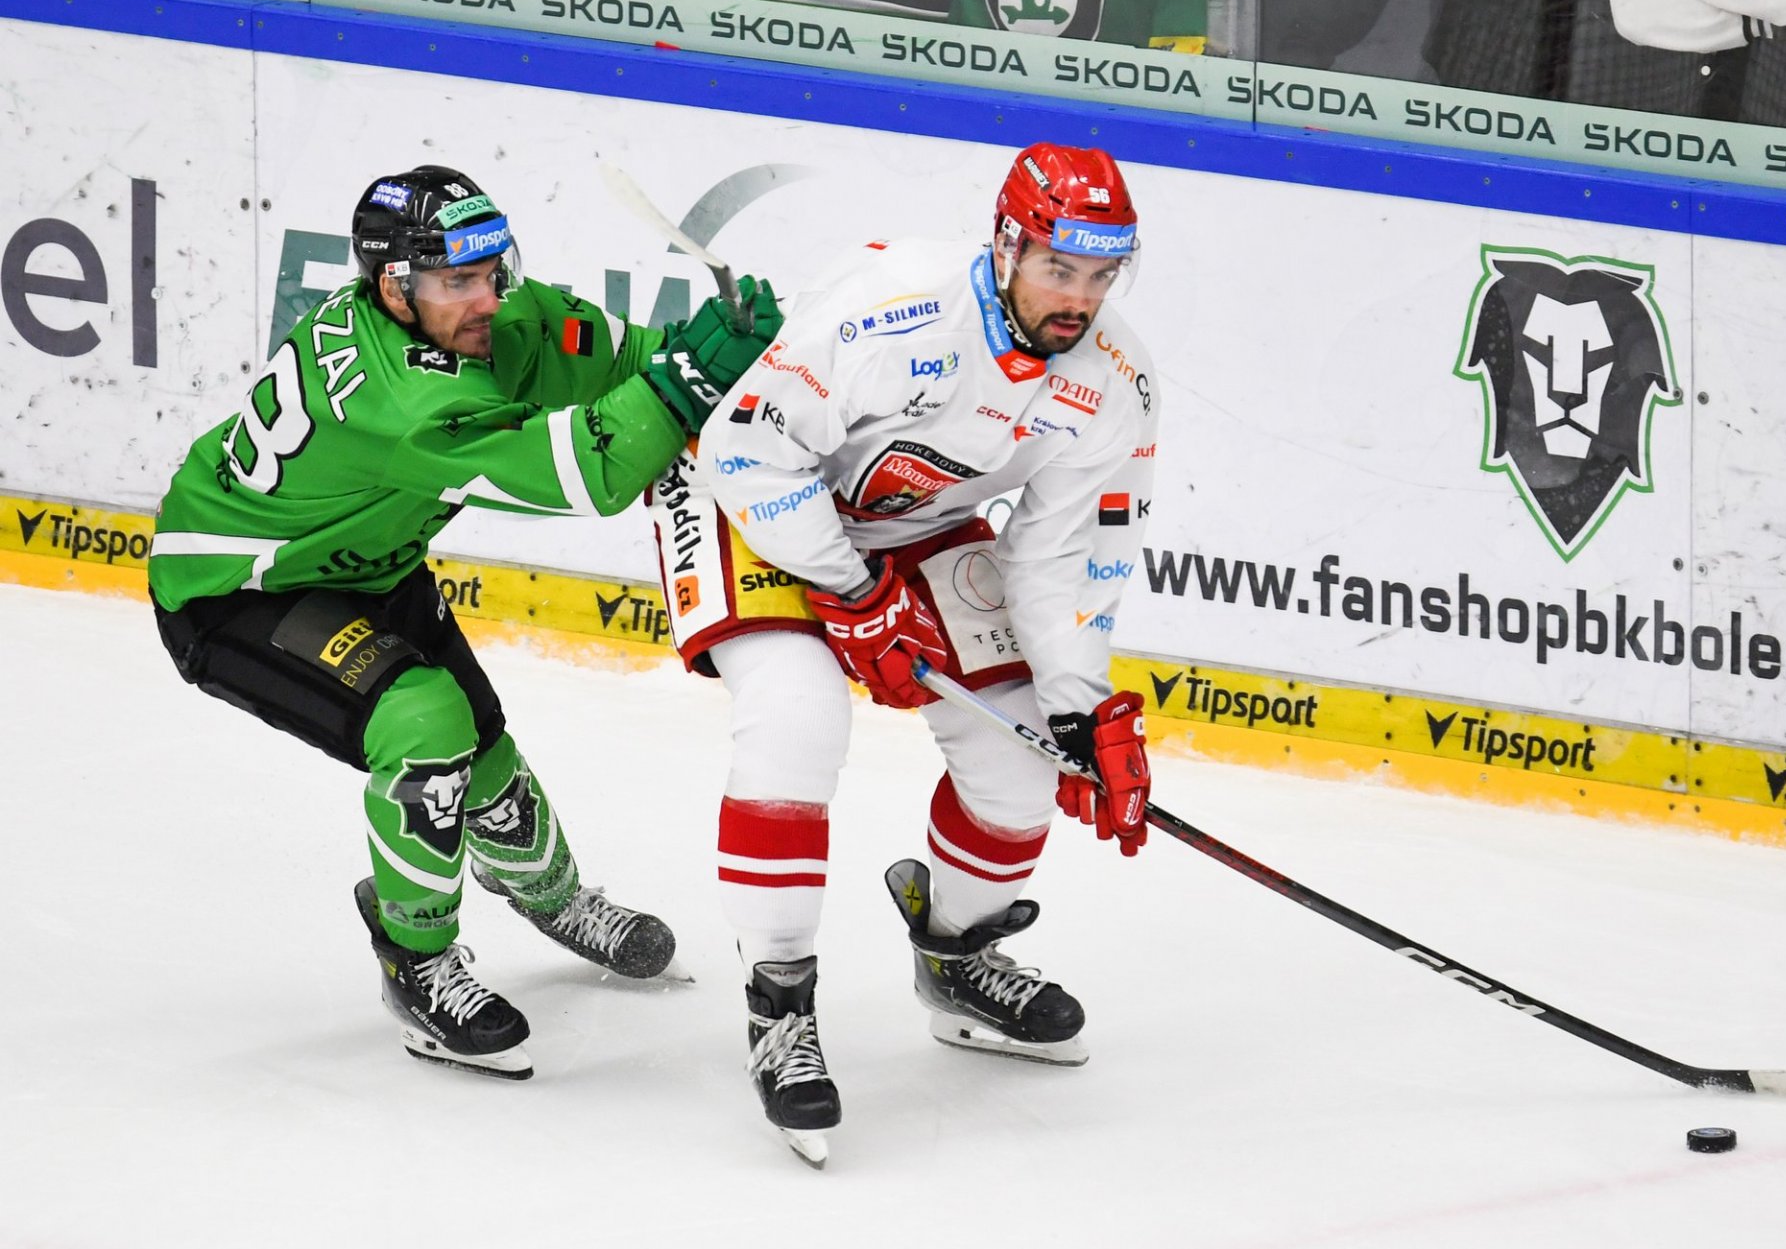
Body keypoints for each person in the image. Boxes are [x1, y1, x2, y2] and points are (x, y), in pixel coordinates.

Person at [148, 165, 781, 1080]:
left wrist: (715, 351)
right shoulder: (398, 397)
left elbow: (630, 359)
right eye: (459, 281)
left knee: (484, 754)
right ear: (394, 288)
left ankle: (553, 896)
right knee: (426, 727)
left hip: (370, 561)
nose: (490, 298)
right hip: (237, 588)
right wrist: (681, 387)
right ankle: (416, 962)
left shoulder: (483, 315)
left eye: (493, 271)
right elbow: (589, 470)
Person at [646, 143, 1158, 1158]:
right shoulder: (897, 309)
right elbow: (747, 448)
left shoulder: (1113, 380)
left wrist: (1078, 708)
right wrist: (854, 592)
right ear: (1006, 247)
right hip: (745, 493)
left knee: (1020, 762)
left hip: (905, 524)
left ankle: (956, 959)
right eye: (1059, 268)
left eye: (1102, 275)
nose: (1079, 299)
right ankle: (779, 1004)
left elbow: (1062, 557)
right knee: (799, 717)